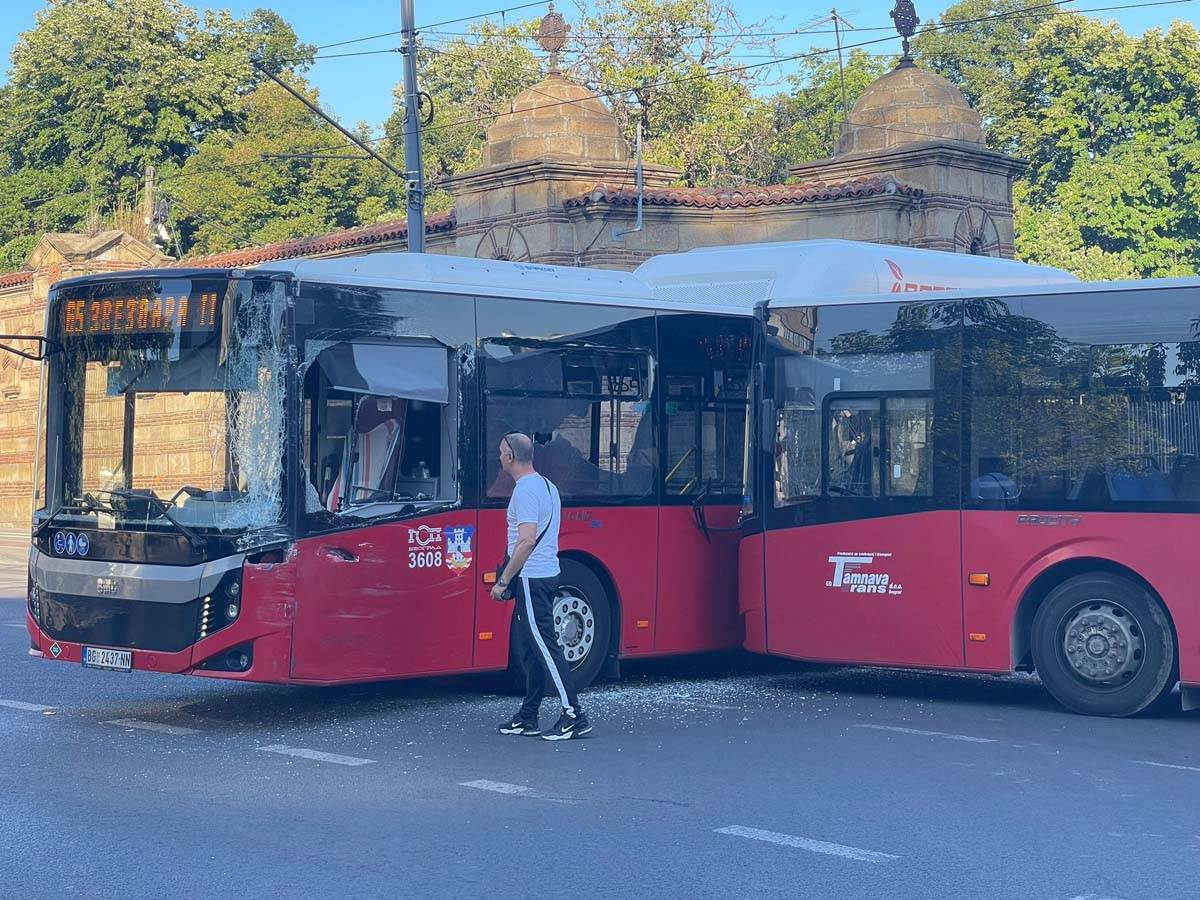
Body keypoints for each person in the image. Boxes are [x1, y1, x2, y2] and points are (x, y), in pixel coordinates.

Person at [491, 431, 592, 741]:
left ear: (510, 457)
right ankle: (528, 715)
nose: (499, 457)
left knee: (546, 647)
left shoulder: (524, 492)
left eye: (501, 452)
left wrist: (504, 580)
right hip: (546, 574)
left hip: (531, 578)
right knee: (531, 649)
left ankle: (573, 714)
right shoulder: (548, 486)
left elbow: (526, 541)